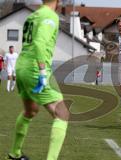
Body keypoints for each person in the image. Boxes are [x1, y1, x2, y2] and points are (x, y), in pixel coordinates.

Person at [7, 0, 69, 159]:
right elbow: (39, 43)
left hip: (21, 67)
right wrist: (42, 70)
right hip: (36, 69)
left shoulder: (33, 15)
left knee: (30, 110)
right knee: (62, 113)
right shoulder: (50, 16)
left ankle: (14, 154)